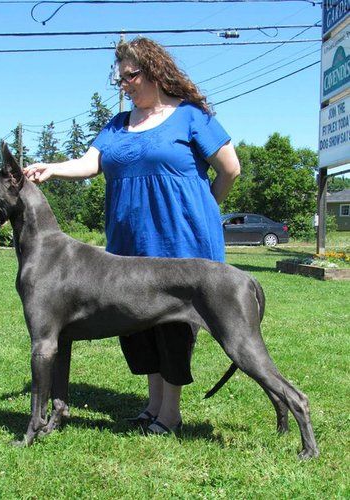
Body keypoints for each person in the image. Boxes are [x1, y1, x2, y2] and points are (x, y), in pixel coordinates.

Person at [24, 37, 240, 434]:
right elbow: (89, 164)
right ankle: (153, 405)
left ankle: (169, 414)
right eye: (119, 78)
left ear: (155, 71)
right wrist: (51, 168)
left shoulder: (190, 116)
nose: (124, 85)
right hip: (128, 245)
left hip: (180, 241)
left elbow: (230, 168)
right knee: (139, 327)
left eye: (131, 76)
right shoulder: (117, 125)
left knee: (173, 329)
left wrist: (205, 208)